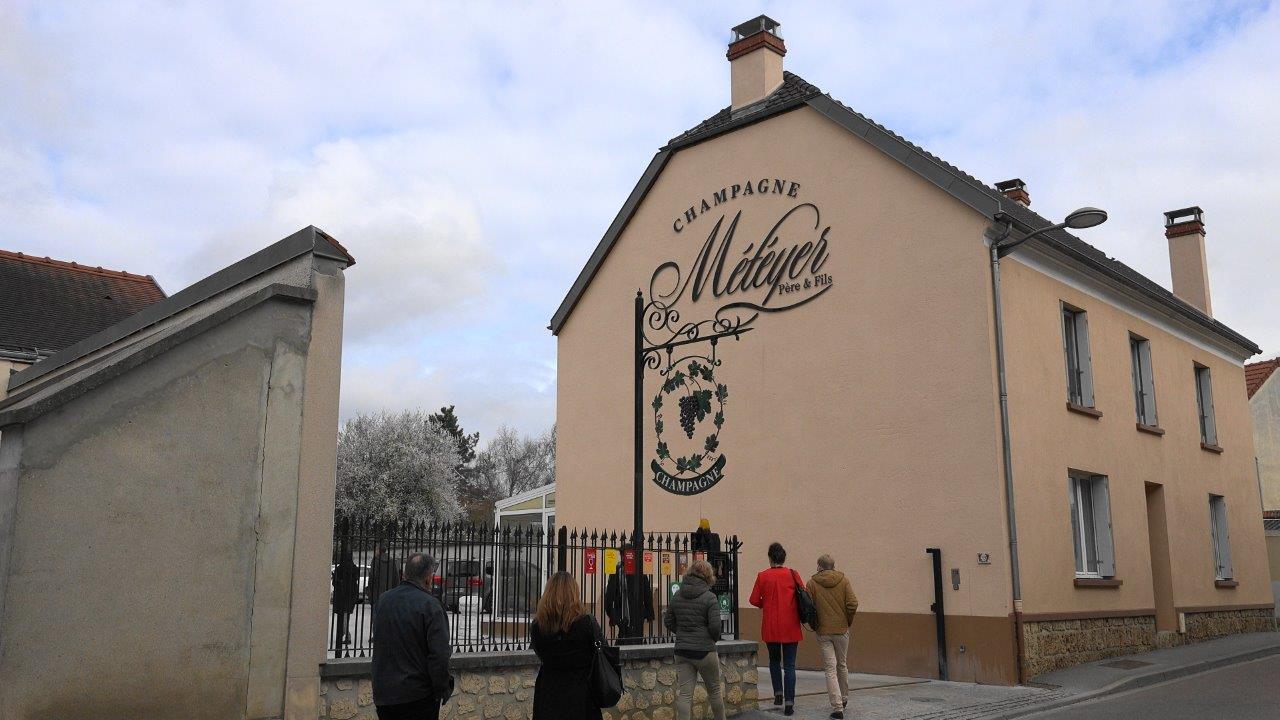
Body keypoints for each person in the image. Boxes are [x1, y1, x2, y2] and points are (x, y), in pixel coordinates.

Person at [371, 553, 454, 720]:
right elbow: (439, 655)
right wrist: (442, 688)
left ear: (404, 574)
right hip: (417, 696)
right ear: (429, 578)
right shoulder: (431, 606)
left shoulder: (383, 600)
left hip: (384, 694)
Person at [530, 571, 606, 720]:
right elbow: (601, 649)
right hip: (582, 693)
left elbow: (539, 652)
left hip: (549, 692)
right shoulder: (586, 622)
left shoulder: (538, 626)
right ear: (574, 592)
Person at [663, 559, 725, 720]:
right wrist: (710, 638)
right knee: (715, 692)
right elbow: (715, 628)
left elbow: (668, 621)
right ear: (708, 576)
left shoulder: (677, 595)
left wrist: (683, 633)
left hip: (682, 651)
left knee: (685, 695)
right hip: (705, 652)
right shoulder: (710, 597)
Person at [749, 542, 802, 716]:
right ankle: (789, 702)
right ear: (784, 557)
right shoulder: (793, 575)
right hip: (790, 626)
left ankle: (778, 694)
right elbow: (804, 594)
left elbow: (754, 600)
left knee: (773, 661)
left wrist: (767, 602)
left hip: (771, 626)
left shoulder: (762, 576)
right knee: (790, 666)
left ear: (770, 558)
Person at [806, 554, 859, 720]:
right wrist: (847, 621)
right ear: (833, 566)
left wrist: (814, 624)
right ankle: (844, 698)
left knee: (830, 668)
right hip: (842, 630)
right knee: (842, 664)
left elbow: (808, 607)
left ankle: (837, 708)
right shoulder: (844, 580)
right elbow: (852, 603)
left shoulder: (812, 583)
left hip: (823, 631)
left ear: (820, 566)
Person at [332, 547, 360, 647]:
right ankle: (344, 634)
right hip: (351, 594)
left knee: (343, 615)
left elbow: (335, 583)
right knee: (346, 615)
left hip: (342, 594)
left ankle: (346, 635)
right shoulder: (355, 568)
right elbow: (355, 580)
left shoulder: (340, 568)